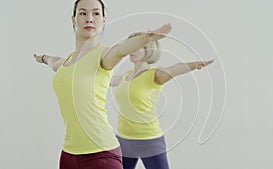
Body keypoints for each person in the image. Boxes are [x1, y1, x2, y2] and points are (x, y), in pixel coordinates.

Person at [33, 0, 172, 168]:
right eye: (83, 13)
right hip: (68, 154)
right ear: (73, 19)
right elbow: (53, 60)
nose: (89, 18)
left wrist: (144, 39)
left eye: (96, 13)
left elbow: (122, 49)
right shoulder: (66, 62)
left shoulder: (104, 55)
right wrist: (42, 58)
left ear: (103, 20)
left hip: (101, 154)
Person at [110, 32, 214, 169]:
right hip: (124, 140)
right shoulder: (125, 77)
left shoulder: (155, 75)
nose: (132, 49)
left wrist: (195, 65)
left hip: (149, 141)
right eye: (130, 45)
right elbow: (102, 80)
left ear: (148, 49)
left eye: (137, 45)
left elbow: (175, 68)